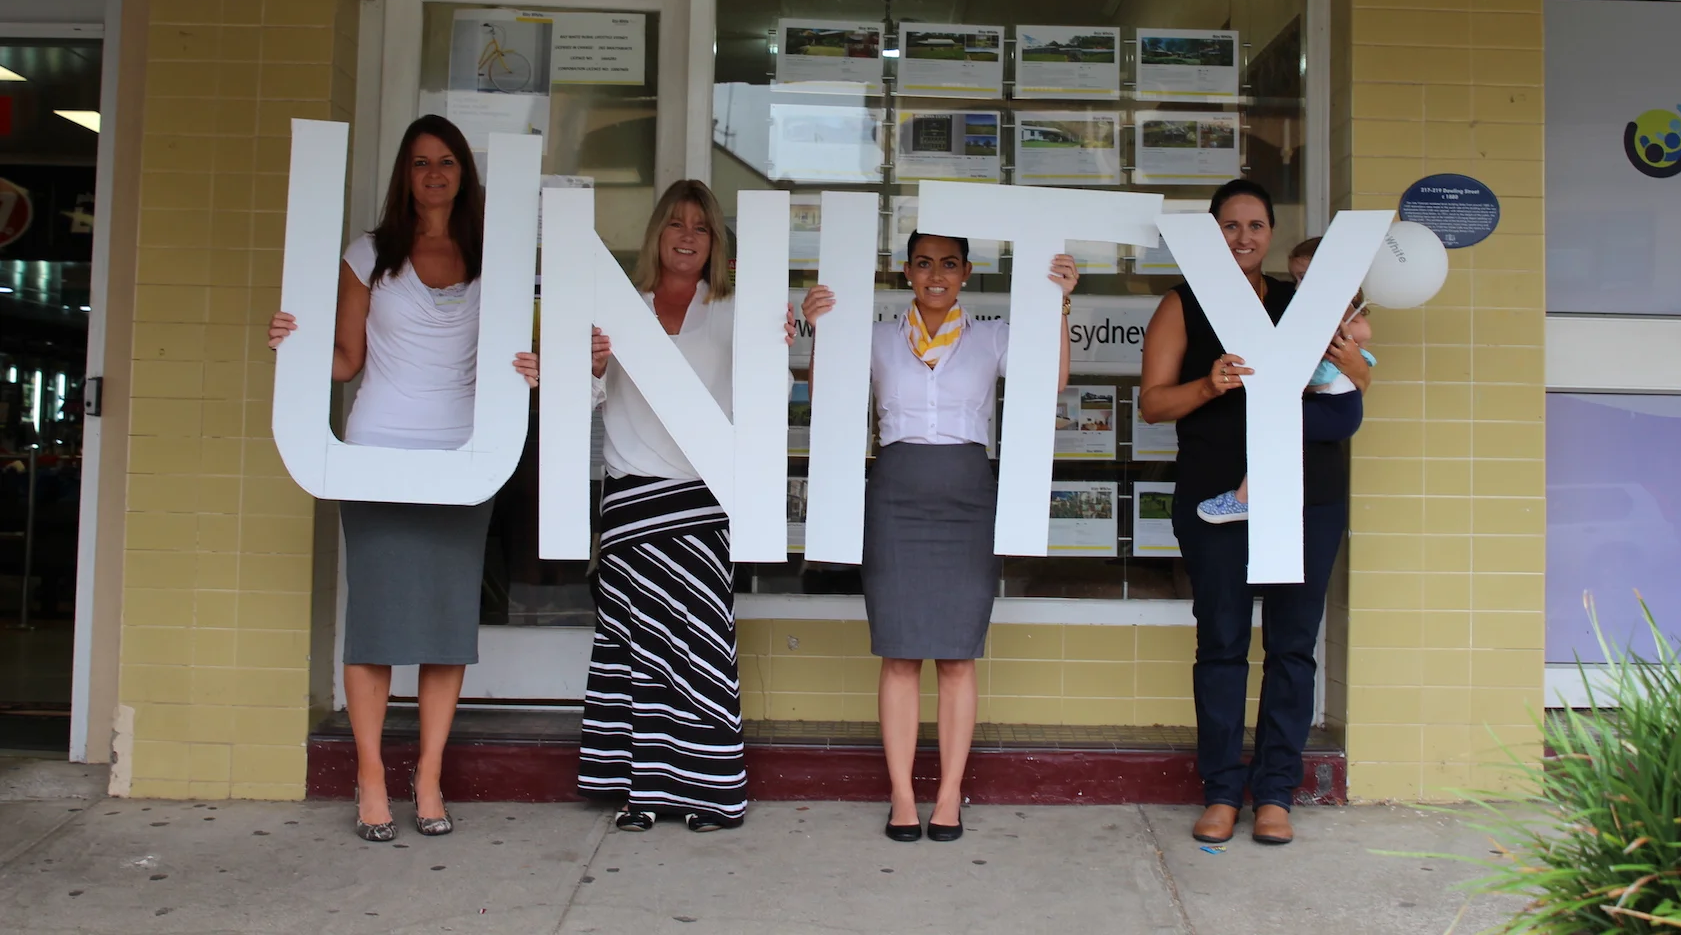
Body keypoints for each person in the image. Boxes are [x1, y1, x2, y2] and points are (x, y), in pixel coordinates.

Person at [266, 114, 577, 842]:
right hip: (376, 450)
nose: (433, 173)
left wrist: (530, 370)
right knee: (374, 626)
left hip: (464, 458)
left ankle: (429, 774)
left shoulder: (493, 257)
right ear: (404, 176)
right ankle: (372, 776)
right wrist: (293, 343)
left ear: (464, 172)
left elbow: (511, 357)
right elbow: (344, 360)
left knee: (443, 628)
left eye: (445, 161)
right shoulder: (369, 253)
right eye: (418, 162)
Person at [802, 233, 1079, 843]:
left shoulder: (991, 336)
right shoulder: (875, 336)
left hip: (967, 495)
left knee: (956, 654)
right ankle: (903, 795)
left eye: (948, 264)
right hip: (896, 493)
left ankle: (950, 794)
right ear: (905, 271)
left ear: (966, 273)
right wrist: (820, 329)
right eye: (923, 263)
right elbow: (829, 395)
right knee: (899, 651)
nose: (935, 275)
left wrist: (1060, 305)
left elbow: (1052, 380)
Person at [1137, 180, 1373, 847]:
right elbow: (1153, 406)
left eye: (1256, 225)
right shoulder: (1183, 306)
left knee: (1294, 646)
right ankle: (1220, 789)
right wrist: (1210, 384)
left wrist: (1357, 362)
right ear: (1212, 234)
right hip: (1216, 499)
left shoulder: (1304, 302)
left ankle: (1275, 792)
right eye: (1230, 225)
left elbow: (1355, 388)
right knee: (1222, 643)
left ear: (1271, 233)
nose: (1243, 237)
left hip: (1309, 496)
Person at [578, 180, 796, 833]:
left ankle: (705, 792)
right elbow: (581, 401)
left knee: (697, 649)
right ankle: (640, 792)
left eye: (701, 227)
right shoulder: (619, 308)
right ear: (656, 234)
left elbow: (771, 395)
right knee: (638, 650)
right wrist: (589, 366)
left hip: (701, 506)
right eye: (675, 223)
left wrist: (780, 343)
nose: (686, 235)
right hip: (632, 504)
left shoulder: (731, 310)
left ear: (716, 242)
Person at [1196, 235, 1376, 523]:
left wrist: (1333, 331)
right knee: (1273, 426)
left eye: (1306, 277)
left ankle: (1245, 498)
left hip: (1337, 407)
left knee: (1272, 423)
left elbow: (1362, 331)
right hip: (1327, 403)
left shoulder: (1343, 314)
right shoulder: (1308, 314)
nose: (1299, 286)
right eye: (1296, 278)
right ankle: (1255, 495)